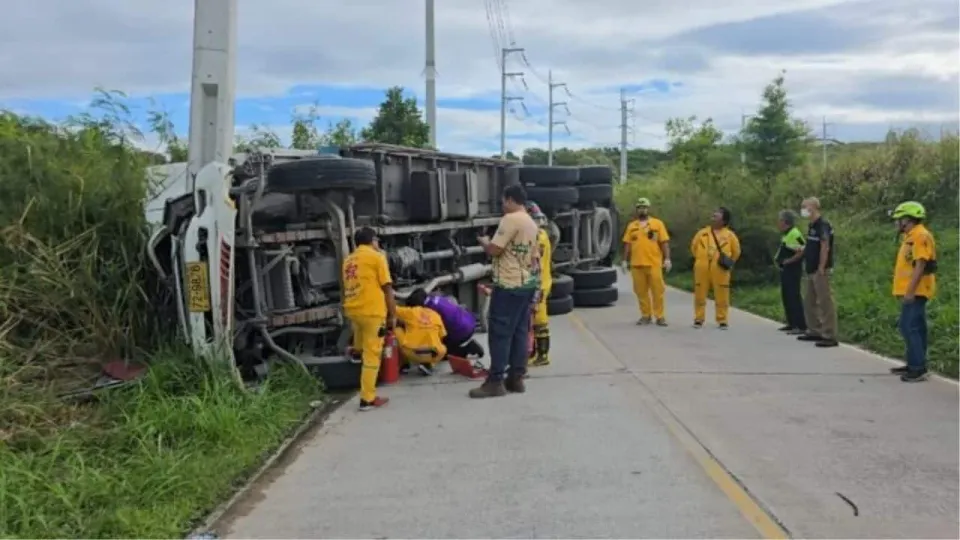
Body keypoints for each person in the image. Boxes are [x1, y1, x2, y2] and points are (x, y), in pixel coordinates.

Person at [470, 184, 540, 398]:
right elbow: (534, 256)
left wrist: (484, 241)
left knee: (500, 334)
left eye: (503, 201)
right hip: (526, 283)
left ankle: (495, 381)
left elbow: (495, 250)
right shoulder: (531, 222)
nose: (502, 205)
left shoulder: (510, 220)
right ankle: (516, 378)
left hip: (508, 284)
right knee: (519, 332)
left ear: (510, 200)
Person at [342, 227, 396, 411]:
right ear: (372, 240)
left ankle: (356, 350)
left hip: (353, 311)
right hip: (372, 312)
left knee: (361, 348)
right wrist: (393, 315)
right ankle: (367, 399)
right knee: (372, 356)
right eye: (376, 241)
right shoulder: (376, 257)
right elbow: (387, 288)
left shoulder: (348, 260)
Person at [888, 201, 937, 382]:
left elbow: (920, 265)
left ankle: (917, 368)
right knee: (916, 327)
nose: (897, 223)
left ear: (908, 219)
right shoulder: (911, 236)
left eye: (899, 219)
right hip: (912, 290)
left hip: (917, 290)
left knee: (908, 326)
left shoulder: (920, 236)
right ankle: (915, 363)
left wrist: (910, 291)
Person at [621, 197, 672, 326]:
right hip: (637, 264)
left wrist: (667, 259)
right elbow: (627, 244)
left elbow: (664, 242)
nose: (642, 210)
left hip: (654, 263)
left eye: (644, 207)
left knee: (658, 291)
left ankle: (660, 316)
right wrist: (624, 261)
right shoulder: (632, 226)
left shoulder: (657, 224)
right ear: (637, 210)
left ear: (648, 209)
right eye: (639, 207)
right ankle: (645, 315)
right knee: (640, 292)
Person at [797, 197, 839, 348]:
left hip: (820, 269)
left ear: (813, 207)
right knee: (810, 301)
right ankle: (814, 329)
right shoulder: (812, 225)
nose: (802, 209)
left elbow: (825, 245)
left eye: (804, 206)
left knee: (825, 301)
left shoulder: (823, 225)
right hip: (810, 268)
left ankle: (829, 334)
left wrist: (822, 266)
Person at [690, 207, 741, 329]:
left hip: (720, 269)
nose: (714, 215)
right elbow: (693, 247)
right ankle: (699, 318)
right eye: (714, 213)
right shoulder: (702, 233)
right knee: (699, 293)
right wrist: (700, 259)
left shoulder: (729, 235)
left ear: (724, 220)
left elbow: (736, 252)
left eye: (717, 214)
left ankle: (722, 319)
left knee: (722, 294)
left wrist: (728, 262)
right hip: (702, 268)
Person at [405, 288, 485, 359]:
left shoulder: (429, 310)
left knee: (441, 354)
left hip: (462, 331)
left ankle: (469, 348)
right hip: (469, 321)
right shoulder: (436, 297)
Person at [526, 201, 553, 367]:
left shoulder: (539, 237)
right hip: (540, 282)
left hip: (540, 284)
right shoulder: (541, 234)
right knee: (534, 321)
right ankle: (535, 352)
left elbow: (535, 263)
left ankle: (543, 355)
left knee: (540, 321)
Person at [775, 210, 807, 335]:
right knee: (786, 295)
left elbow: (803, 249)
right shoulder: (786, 234)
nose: (778, 223)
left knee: (794, 296)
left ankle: (800, 325)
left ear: (785, 221)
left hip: (793, 269)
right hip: (785, 269)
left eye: (780, 220)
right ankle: (791, 323)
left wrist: (789, 261)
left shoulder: (794, 233)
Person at [394, 303, 447, 376]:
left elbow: (393, 308)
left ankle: (404, 364)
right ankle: (428, 364)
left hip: (413, 353)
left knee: (398, 330)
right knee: (443, 348)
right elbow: (441, 337)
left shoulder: (411, 311)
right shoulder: (436, 315)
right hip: (434, 354)